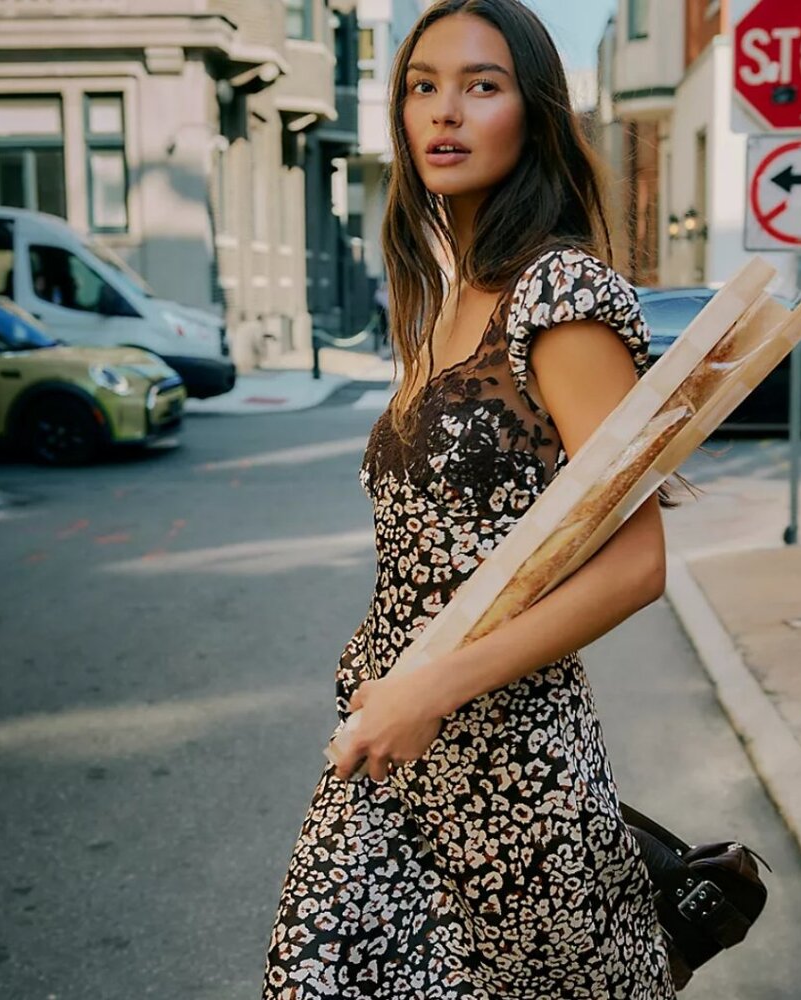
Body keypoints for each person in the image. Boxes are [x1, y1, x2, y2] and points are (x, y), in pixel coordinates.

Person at [263, 1, 676, 996]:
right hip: (394, 752)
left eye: (481, 86)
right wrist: (395, 691)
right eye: (423, 85)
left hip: (511, 776)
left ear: (529, 114)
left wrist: (430, 688)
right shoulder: (445, 298)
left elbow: (635, 561)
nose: (445, 110)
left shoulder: (561, 295)